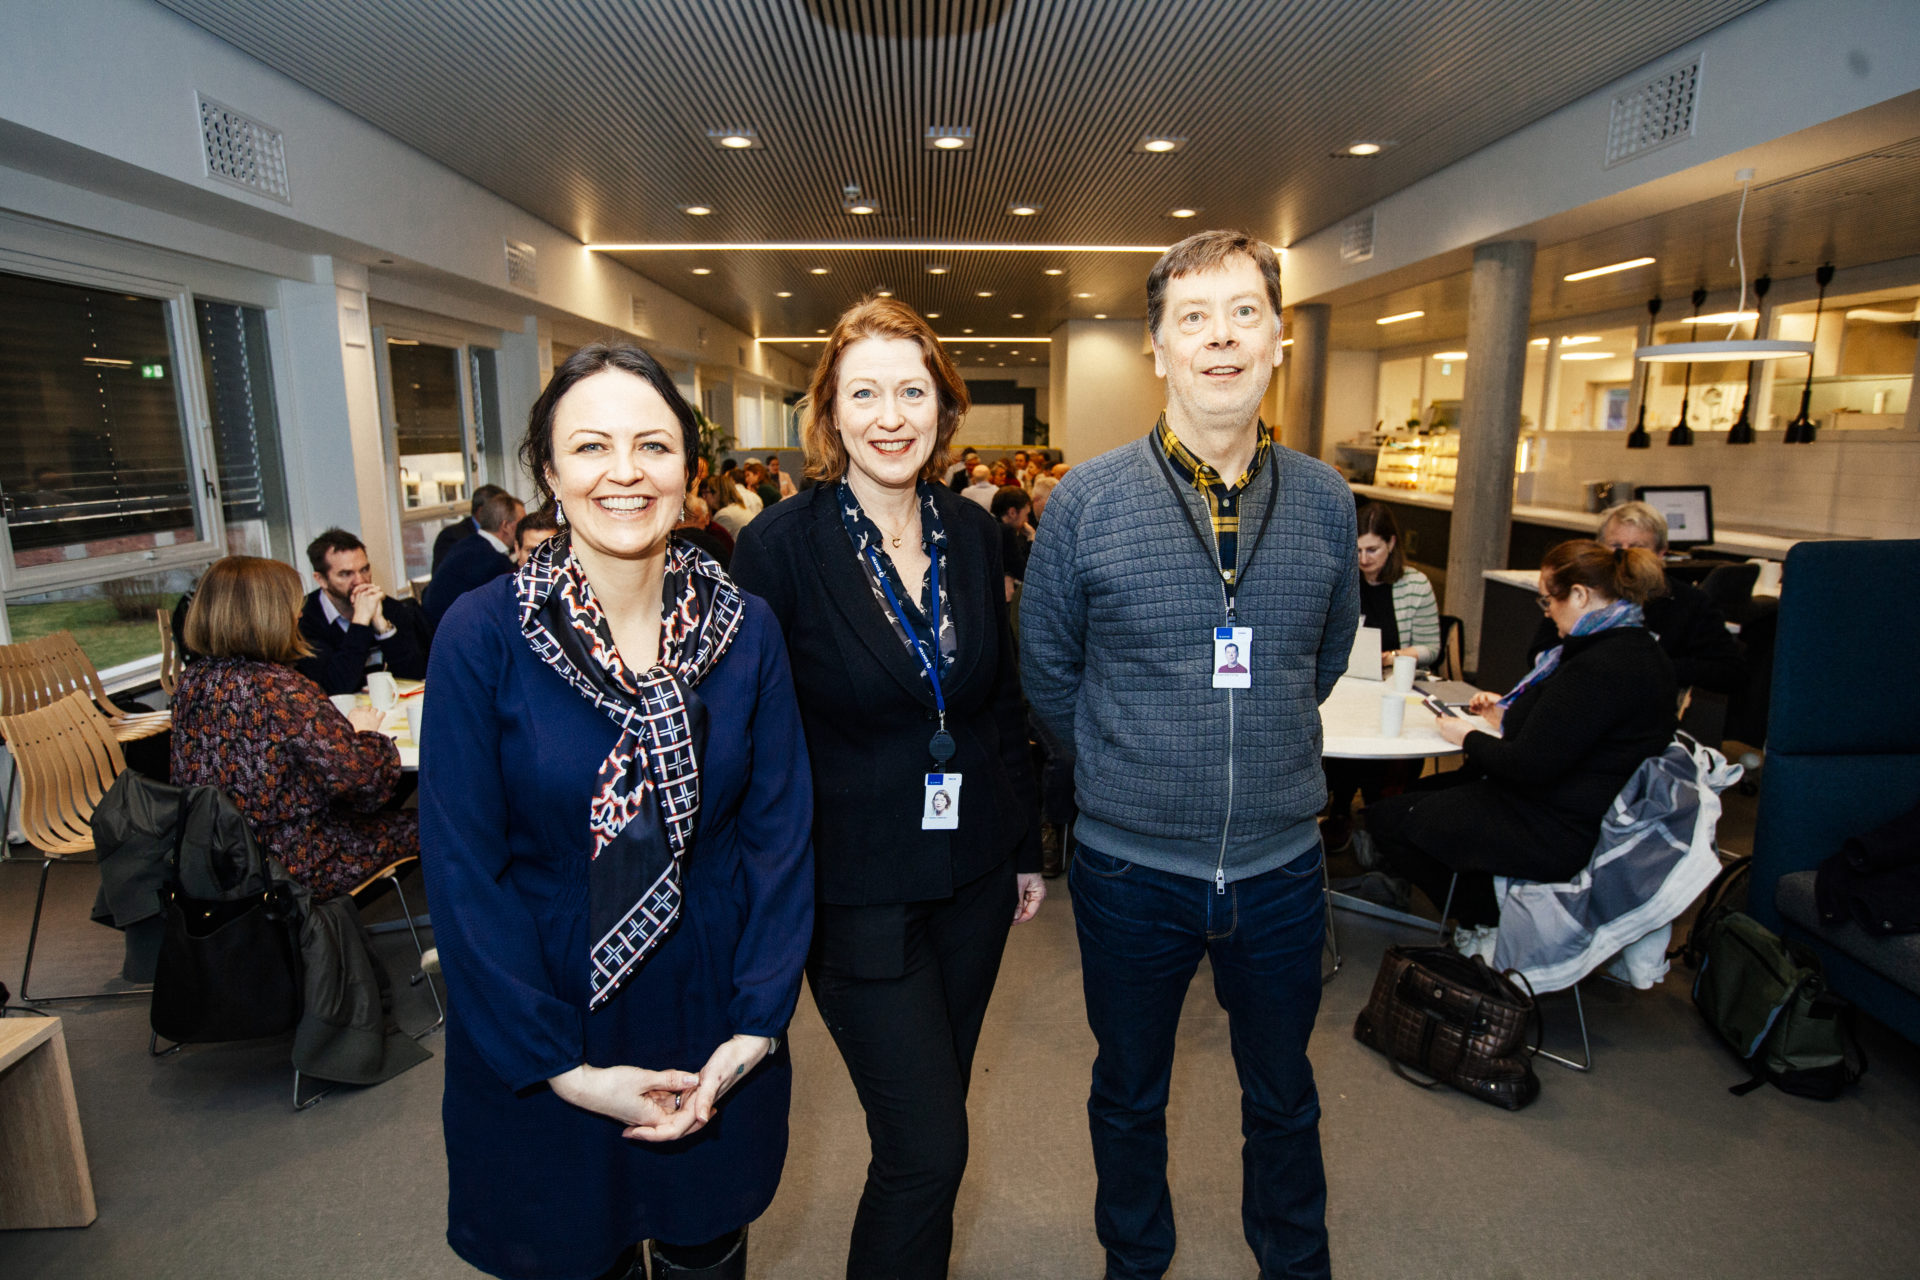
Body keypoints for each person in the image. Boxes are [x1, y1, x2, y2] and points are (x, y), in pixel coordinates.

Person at [420, 342, 814, 1280]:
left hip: (708, 1004)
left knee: (706, 1250)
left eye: (653, 445)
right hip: (543, 1012)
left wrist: (755, 1027)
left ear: (689, 467)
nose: (625, 473)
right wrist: (569, 1071)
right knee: (569, 1255)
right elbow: (464, 872)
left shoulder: (747, 628)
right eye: (592, 448)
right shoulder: (484, 634)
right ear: (550, 475)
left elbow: (780, 836)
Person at [1022, 228, 1356, 1280]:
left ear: (1277, 341)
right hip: (1129, 871)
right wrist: (1133, 769)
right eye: (1194, 320)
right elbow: (1048, 670)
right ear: (1158, 348)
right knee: (1128, 1089)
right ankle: (1136, 1259)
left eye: (1244, 314)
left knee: (1284, 1090)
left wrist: (1250, 748)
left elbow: (1326, 653)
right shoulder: (1086, 499)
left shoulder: (1327, 499)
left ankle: (1293, 1261)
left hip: (1280, 866)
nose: (1221, 339)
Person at [731, 297, 1043, 1280]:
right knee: (928, 1147)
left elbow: (996, 703)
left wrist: (1025, 843)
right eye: (863, 391)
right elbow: (751, 735)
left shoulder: (973, 529)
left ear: (945, 407)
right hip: (854, 889)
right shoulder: (779, 547)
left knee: (934, 1124)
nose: (890, 413)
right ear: (827, 411)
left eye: (912, 389)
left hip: (975, 875)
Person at [1369, 539, 1678, 958]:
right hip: (1580, 806)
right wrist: (1508, 717)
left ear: (1581, 595)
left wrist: (1466, 736)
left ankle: (1485, 916)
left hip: (1554, 824)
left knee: (1389, 819)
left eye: (1549, 599)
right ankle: (1478, 898)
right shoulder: (1633, 648)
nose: (1547, 611)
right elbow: (1570, 731)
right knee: (1416, 802)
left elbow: (1527, 765)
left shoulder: (1598, 666)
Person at [171, 555, 415, 901]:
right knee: (435, 824)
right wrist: (364, 735)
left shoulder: (191, 684)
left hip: (220, 857)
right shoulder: (281, 689)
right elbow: (364, 783)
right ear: (266, 615)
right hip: (297, 862)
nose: (299, 614)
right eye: (290, 604)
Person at [1526, 500, 1745, 697]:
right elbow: (1540, 652)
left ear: (1661, 553)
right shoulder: (1581, 592)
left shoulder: (1689, 603)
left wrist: (1649, 668)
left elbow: (1728, 672)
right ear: (1599, 548)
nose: (1624, 555)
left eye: (1638, 547)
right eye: (1616, 546)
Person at [1322, 503, 1442, 851]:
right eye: (1356, 550)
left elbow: (1431, 647)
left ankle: (1377, 814)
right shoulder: (1346, 579)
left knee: (1385, 735)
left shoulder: (1415, 585)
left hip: (1393, 684)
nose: (1363, 559)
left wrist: (1390, 656)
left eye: (1372, 549)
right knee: (1341, 731)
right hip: (1347, 681)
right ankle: (1342, 809)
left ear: (1391, 544)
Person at [297, 528, 431, 696]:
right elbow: (334, 689)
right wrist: (360, 621)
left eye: (364, 569)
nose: (360, 581)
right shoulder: (304, 619)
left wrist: (383, 628)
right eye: (346, 574)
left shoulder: (389, 607)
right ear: (321, 579)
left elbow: (416, 676)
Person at [424, 490, 524, 625]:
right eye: (521, 523)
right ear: (506, 526)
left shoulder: (468, 543)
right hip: (452, 632)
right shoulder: (494, 562)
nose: (524, 529)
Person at [432, 483, 510, 572]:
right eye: (500, 510)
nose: (506, 515)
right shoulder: (451, 537)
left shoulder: (504, 532)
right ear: (481, 512)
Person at [676, 494, 734, 569]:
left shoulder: (718, 534)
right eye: (684, 518)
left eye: (695, 519)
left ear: (707, 518)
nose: (688, 524)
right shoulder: (675, 539)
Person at [711, 471, 756, 538]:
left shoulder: (724, 515)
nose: (704, 496)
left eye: (706, 492)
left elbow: (715, 545)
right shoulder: (740, 507)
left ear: (717, 493)